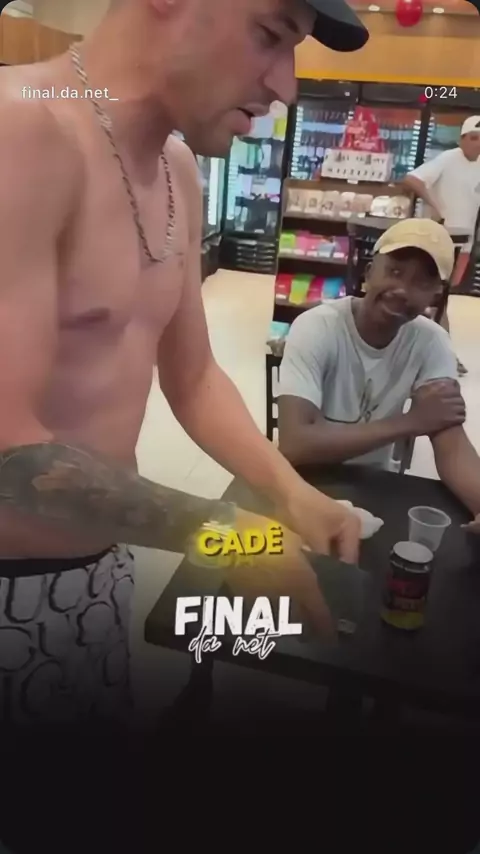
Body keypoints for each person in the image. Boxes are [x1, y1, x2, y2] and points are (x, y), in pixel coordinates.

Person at [278, 219, 480, 528]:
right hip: (305, 481)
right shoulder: (317, 327)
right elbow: (295, 443)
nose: (402, 290)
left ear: (435, 295)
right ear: (370, 271)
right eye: (394, 271)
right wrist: (411, 422)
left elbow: (450, 442)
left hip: (374, 485)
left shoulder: (432, 341)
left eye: (421, 282)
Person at [403, 115, 480, 375]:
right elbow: (412, 179)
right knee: (435, 296)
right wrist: (435, 205)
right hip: (438, 240)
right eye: (473, 138)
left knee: (441, 297)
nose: (478, 143)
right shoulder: (448, 159)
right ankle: (444, 355)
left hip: (463, 244)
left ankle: (435, 352)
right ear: (462, 139)